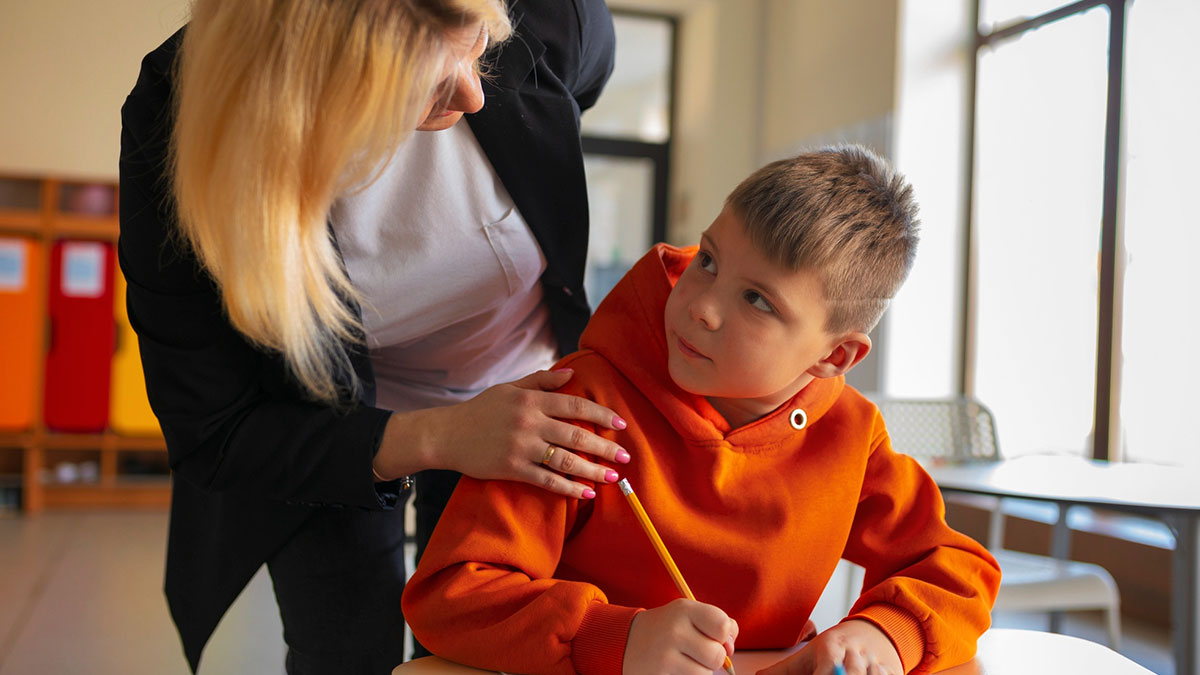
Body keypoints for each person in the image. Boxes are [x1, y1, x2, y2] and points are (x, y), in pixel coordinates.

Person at [118, 0, 616, 672]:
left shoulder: (552, 13)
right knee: (346, 644)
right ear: (317, 81)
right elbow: (214, 427)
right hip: (318, 422)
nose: (474, 95)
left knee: (488, 636)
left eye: (478, 51)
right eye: (435, 80)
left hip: (515, 386)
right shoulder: (177, 119)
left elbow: (571, 93)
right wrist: (436, 435)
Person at [402, 146, 1002, 675]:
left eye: (757, 301)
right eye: (709, 260)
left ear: (835, 355)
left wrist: (886, 633)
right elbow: (451, 598)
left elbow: (956, 568)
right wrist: (613, 637)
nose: (703, 307)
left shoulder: (852, 433)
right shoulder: (574, 406)